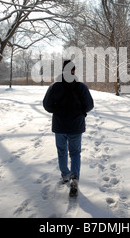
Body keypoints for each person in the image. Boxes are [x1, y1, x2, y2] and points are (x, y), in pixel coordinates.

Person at [43, 60, 94, 197]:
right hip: (76, 126)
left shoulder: (54, 87)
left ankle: (65, 175)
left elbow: (46, 105)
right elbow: (89, 105)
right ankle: (75, 178)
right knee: (75, 152)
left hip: (60, 125)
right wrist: (80, 112)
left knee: (61, 151)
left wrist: (57, 110)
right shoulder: (81, 87)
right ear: (74, 71)